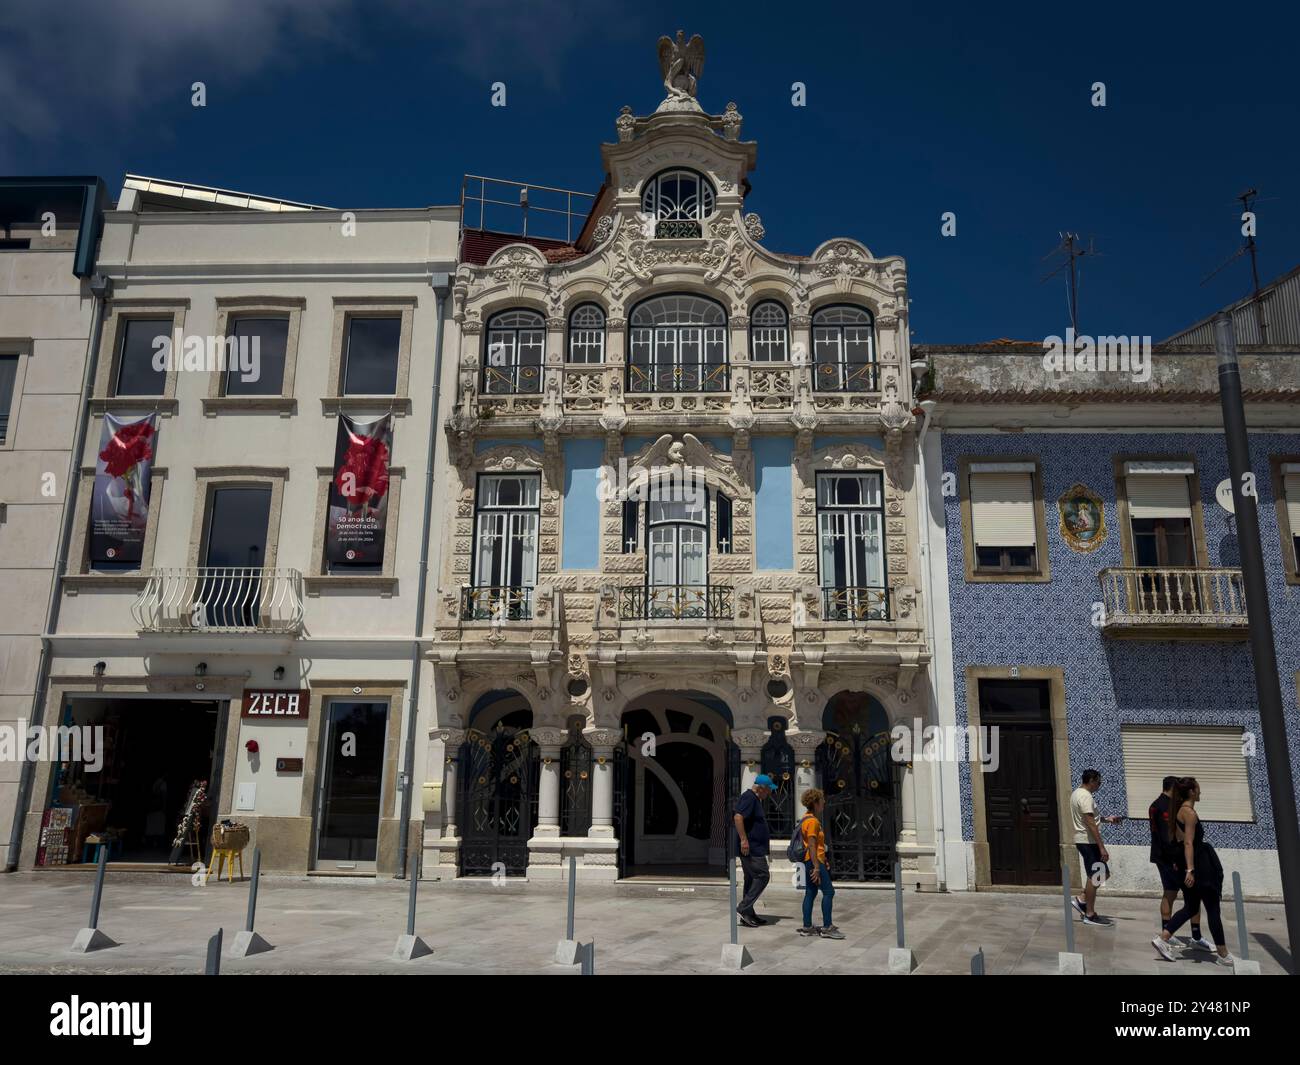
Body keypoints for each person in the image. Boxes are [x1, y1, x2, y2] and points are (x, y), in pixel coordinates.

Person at [1152, 778, 1236, 966]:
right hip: (1199, 866)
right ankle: (1223, 954)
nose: (1200, 793)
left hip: (1187, 863)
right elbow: (1188, 842)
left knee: (1191, 907)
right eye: (1198, 789)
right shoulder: (1189, 813)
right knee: (1213, 908)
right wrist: (1190, 870)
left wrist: (1183, 866)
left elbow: (1178, 840)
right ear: (1191, 792)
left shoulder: (1177, 810)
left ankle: (1163, 938)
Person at [1149, 776, 1211, 952]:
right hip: (1171, 858)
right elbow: (1169, 836)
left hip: (1163, 856)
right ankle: (1178, 935)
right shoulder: (1166, 806)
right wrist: (1178, 861)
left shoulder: (1155, 804)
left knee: (1171, 893)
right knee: (1187, 897)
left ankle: (1169, 932)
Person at [1070, 769, 1122, 925]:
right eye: (1098, 782)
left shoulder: (1076, 793)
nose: (1099, 785)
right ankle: (1089, 914)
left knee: (1100, 874)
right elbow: (1090, 822)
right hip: (1089, 842)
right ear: (1091, 780)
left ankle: (1082, 900)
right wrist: (1102, 847)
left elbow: (1091, 818)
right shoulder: (1085, 796)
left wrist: (1107, 819)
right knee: (1097, 876)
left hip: (1085, 840)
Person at [796, 788, 845, 940]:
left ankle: (807, 926)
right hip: (813, 861)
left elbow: (816, 845)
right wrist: (817, 867)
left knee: (811, 892)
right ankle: (827, 927)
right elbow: (811, 845)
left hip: (812, 859)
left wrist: (824, 860)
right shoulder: (813, 822)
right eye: (822, 799)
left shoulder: (805, 819)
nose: (824, 802)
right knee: (829, 892)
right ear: (816, 803)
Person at [733, 774, 775, 927]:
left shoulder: (755, 799)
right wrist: (744, 840)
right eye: (769, 789)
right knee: (763, 875)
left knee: (750, 879)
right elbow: (738, 817)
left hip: (754, 847)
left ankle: (748, 914)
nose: (770, 792)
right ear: (761, 788)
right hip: (752, 848)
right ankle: (743, 908)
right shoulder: (749, 797)